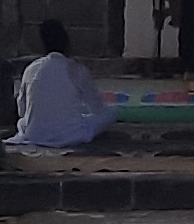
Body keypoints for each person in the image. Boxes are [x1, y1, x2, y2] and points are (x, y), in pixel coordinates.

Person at [6, 20, 116, 152]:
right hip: (71, 136)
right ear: (66, 42)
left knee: (24, 122)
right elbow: (98, 108)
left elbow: (22, 111)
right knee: (109, 115)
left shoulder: (31, 69)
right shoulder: (76, 69)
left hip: (34, 134)